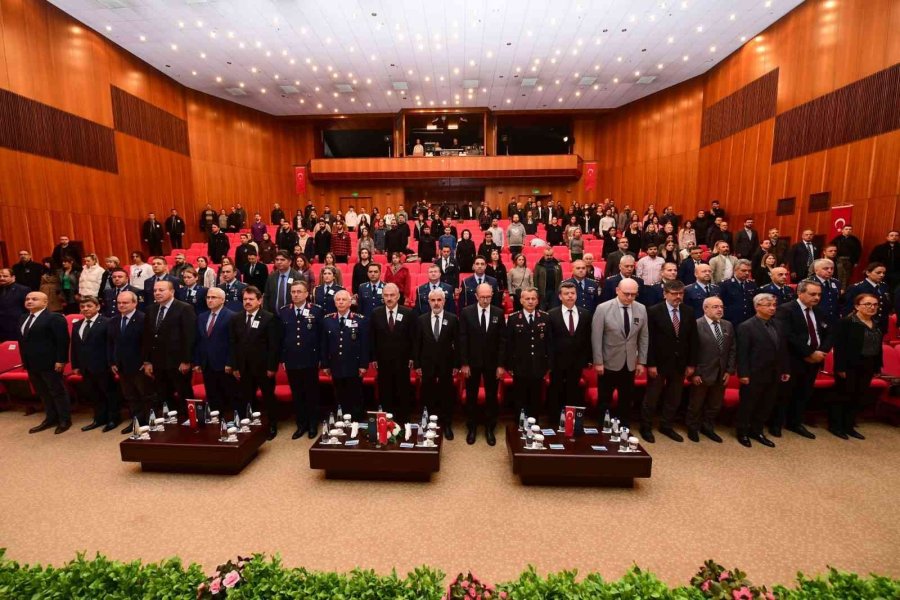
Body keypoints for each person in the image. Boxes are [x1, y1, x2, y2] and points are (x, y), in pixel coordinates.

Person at [771, 280, 832, 439]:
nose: (817, 297)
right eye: (813, 294)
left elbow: (829, 333)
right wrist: (809, 353)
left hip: (815, 360)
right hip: (793, 359)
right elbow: (787, 336)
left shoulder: (819, 311)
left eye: (819, 294)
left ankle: (795, 423)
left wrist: (822, 351)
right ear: (800, 293)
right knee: (785, 393)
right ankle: (776, 424)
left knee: (803, 393)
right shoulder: (786, 310)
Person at [641, 280, 698, 443]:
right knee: (652, 397)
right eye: (674, 294)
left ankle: (666, 425)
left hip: (680, 363)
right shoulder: (653, 311)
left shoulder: (689, 311)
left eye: (681, 293)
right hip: (658, 363)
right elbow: (648, 340)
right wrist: (650, 363)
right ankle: (646, 426)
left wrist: (691, 363)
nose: (678, 297)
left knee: (674, 397)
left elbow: (693, 340)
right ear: (665, 294)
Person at [735, 294, 791, 448]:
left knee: (766, 404)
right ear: (757, 306)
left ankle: (757, 430)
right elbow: (742, 353)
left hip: (774, 372)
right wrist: (743, 374)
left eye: (774, 304)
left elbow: (782, 349)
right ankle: (743, 432)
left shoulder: (778, 324)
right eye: (768, 305)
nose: (772, 308)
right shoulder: (746, 326)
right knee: (748, 405)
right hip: (754, 373)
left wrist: (785, 369)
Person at [591, 278, 648, 426]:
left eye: (633, 294)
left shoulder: (641, 308)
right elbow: (596, 337)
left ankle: (624, 427)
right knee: (605, 399)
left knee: (626, 399)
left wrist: (641, 361)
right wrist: (598, 362)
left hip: (629, 363)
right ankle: (603, 427)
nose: (630, 297)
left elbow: (643, 337)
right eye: (626, 294)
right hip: (608, 362)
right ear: (617, 290)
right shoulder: (603, 308)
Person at [227, 286, 281, 440]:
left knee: (268, 397)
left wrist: (272, 367)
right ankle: (250, 424)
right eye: (245, 299)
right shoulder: (236, 318)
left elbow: (273, 346)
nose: (248, 302)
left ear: (259, 300)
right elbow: (233, 344)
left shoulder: (269, 318)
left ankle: (271, 425)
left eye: (251, 299)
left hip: (263, 368)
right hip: (243, 367)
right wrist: (235, 366)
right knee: (246, 397)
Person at [459, 283, 507, 445]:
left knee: (491, 396)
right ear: (476, 296)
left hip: (492, 364)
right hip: (472, 363)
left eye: (488, 297)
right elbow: (463, 339)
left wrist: (501, 365)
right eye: (482, 297)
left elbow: (502, 341)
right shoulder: (466, 312)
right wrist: (464, 363)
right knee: (471, 396)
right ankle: (471, 427)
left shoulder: (498, 313)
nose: (486, 300)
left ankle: (489, 428)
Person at [830, 293, 882, 440]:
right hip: (849, 365)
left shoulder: (876, 323)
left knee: (858, 396)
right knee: (844, 395)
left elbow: (878, 347)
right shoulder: (846, 322)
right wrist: (840, 368)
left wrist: (877, 366)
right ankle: (836, 426)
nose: (872, 307)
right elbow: (839, 348)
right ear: (857, 306)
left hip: (868, 364)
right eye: (868, 304)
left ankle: (849, 425)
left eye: (875, 305)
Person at [19, 292, 71, 434]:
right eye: (27, 299)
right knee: (43, 392)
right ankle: (51, 418)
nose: (29, 301)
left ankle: (64, 419)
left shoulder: (54, 318)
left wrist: (61, 360)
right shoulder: (24, 317)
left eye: (34, 299)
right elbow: (22, 342)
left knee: (57, 391)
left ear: (45, 302)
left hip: (50, 362)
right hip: (31, 363)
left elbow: (63, 340)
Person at [142, 280, 196, 415]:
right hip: (158, 361)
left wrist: (186, 360)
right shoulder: (150, 309)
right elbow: (147, 337)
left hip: (178, 361)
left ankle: (189, 422)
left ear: (172, 292)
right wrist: (147, 361)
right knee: (164, 395)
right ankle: (171, 423)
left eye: (161, 290)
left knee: (184, 394)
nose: (157, 293)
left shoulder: (184, 308)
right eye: (155, 290)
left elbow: (189, 336)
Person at [279, 281, 324, 439]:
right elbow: (281, 337)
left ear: (306, 294)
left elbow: (321, 337)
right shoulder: (284, 311)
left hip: (310, 358)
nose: (296, 294)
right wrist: (283, 358)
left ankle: (313, 424)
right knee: (297, 393)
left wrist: (321, 358)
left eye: (299, 291)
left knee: (311, 393)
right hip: (291, 359)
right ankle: (301, 424)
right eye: (293, 292)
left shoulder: (317, 311)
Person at [688, 296, 735, 443]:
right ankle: (692, 428)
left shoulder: (728, 325)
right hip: (702, 372)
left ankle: (707, 427)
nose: (719, 309)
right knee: (696, 403)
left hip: (721, 373)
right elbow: (691, 351)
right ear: (705, 308)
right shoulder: (696, 325)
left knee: (715, 404)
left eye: (721, 306)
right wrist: (695, 372)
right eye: (715, 307)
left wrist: (729, 371)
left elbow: (732, 349)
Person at [547, 282, 592, 425]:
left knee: (573, 392)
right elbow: (549, 340)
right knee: (556, 392)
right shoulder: (551, 314)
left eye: (572, 293)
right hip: (557, 363)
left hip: (577, 362)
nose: (570, 296)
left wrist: (588, 359)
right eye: (566, 294)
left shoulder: (585, 314)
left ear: (576, 295)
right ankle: (554, 422)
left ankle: (571, 422)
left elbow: (588, 338)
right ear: (560, 296)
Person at [70, 296, 117, 432]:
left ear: (97, 307)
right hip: (85, 366)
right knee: (94, 394)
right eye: (82, 307)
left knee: (109, 393)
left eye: (89, 306)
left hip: (103, 365)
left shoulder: (107, 322)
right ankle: (99, 418)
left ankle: (113, 418)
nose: (85, 309)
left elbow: (111, 345)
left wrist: (111, 363)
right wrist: (76, 365)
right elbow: (75, 347)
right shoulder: (77, 324)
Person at [504, 288, 552, 421]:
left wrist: (548, 366)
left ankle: (534, 425)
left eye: (533, 299)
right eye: (527, 299)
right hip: (520, 367)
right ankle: (520, 426)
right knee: (520, 400)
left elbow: (549, 343)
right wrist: (510, 366)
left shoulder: (545, 317)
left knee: (535, 400)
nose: (530, 301)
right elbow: (509, 344)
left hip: (538, 366)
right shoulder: (513, 318)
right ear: (521, 301)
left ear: (537, 301)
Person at [321, 290, 370, 419]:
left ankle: (356, 422)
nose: (341, 302)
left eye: (344, 300)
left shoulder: (360, 320)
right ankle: (341, 421)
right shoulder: (327, 320)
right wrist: (325, 364)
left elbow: (365, 344)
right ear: (335, 303)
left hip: (354, 364)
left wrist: (363, 365)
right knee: (339, 395)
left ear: (350, 302)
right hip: (336, 364)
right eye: (338, 300)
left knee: (355, 395)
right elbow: (324, 344)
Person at [108, 291, 152, 432]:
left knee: (145, 395)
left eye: (125, 302)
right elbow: (111, 343)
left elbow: (148, 343)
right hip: (121, 365)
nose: (121, 305)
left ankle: (148, 421)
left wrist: (146, 361)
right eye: (119, 303)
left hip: (139, 365)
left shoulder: (143, 319)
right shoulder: (114, 320)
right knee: (130, 396)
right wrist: (113, 362)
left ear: (135, 303)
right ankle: (137, 421)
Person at [193, 287, 236, 413]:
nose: (210, 300)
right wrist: (197, 362)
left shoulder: (231, 316)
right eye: (208, 297)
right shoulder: (202, 317)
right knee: (212, 397)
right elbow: (198, 341)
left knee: (229, 396)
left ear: (222, 300)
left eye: (213, 297)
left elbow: (233, 343)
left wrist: (230, 362)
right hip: (207, 364)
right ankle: (215, 422)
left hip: (224, 365)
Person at [843, 262, 891, 333]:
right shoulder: (857, 288)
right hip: (863, 324)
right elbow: (849, 309)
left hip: (881, 325)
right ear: (868, 273)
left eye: (883, 273)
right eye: (878, 273)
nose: (882, 275)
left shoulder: (884, 286)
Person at [720, 260, 757, 327]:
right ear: (735, 270)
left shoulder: (752, 284)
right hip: (732, 321)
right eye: (743, 270)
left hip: (749, 321)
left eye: (749, 271)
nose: (747, 273)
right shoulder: (725, 285)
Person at [0, 268, 29, 344]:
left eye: (5, 276)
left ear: (13, 277)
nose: (2, 278)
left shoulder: (23, 289)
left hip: (16, 326)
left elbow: (28, 309)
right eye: (0, 276)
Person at [830, 225, 862, 290]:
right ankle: (838, 289)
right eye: (846, 229)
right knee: (839, 275)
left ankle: (844, 290)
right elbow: (831, 247)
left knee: (847, 276)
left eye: (850, 229)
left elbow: (858, 251)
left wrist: (856, 261)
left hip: (850, 261)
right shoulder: (837, 239)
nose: (848, 231)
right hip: (839, 260)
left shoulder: (855, 240)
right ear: (842, 230)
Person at [533, 246, 563, 310]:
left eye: (551, 255)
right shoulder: (539, 265)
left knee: (554, 310)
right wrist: (536, 291)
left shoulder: (557, 264)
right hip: (542, 292)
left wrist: (560, 290)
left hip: (554, 292)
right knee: (542, 310)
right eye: (547, 255)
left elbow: (561, 278)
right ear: (543, 255)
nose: (549, 257)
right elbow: (535, 279)